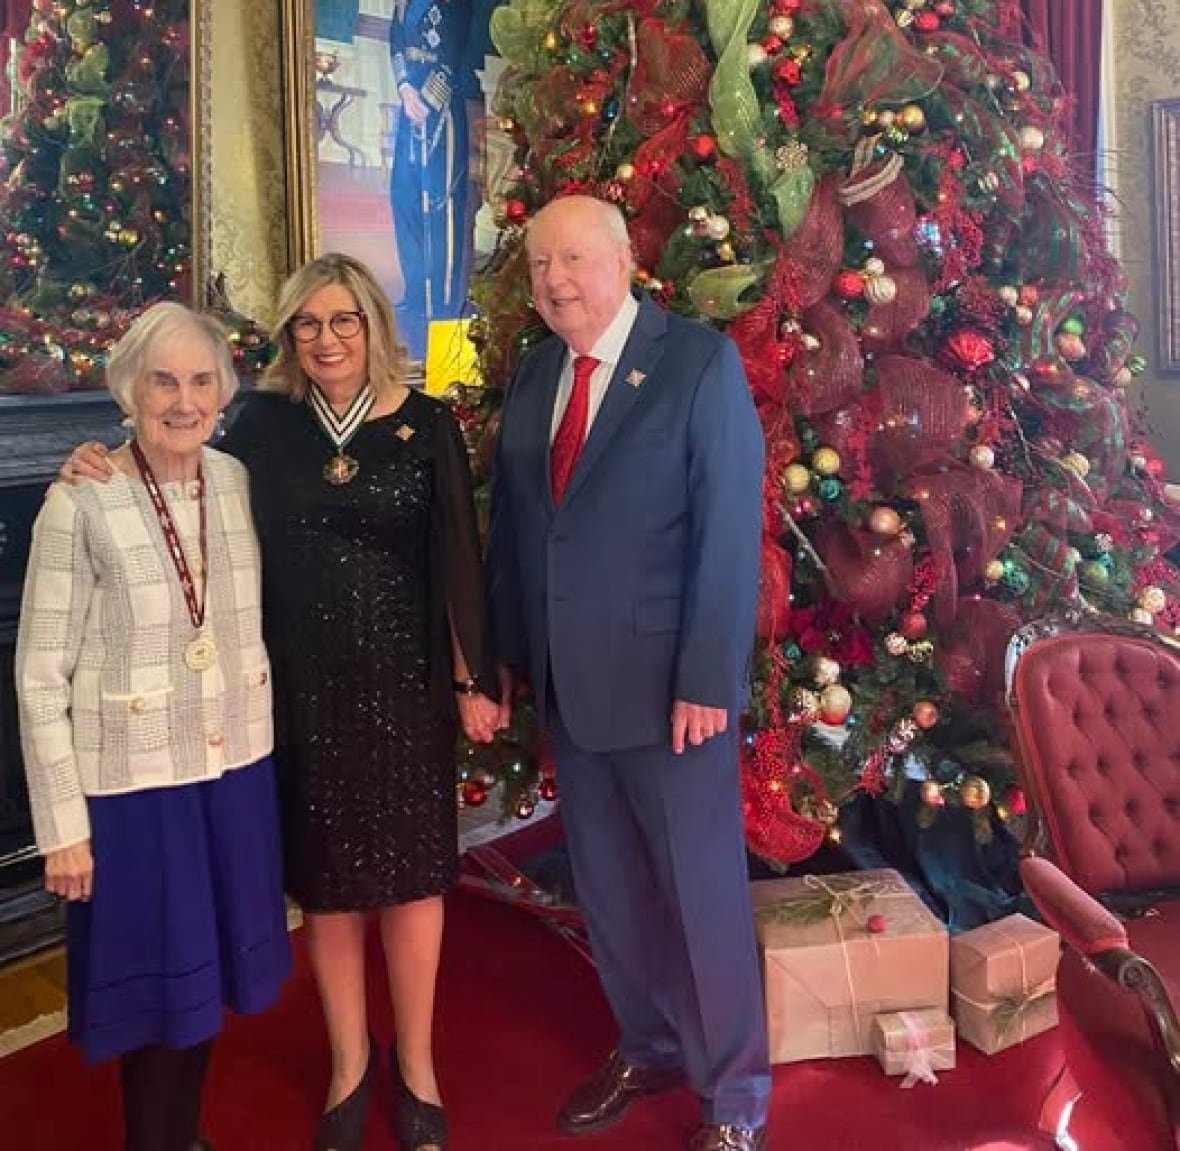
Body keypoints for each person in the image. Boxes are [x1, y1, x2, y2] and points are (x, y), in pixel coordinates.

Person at [63, 254, 503, 1151]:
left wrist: (472, 682)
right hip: (298, 695)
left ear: (373, 326)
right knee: (332, 891)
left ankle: (413, 1065)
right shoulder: (261, 426)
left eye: (344, 320)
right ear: (289, 337)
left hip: (407, 689)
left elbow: (460, 554)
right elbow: (172, 470)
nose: (326, 339)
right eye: (308, 323)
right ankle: (349, 1063)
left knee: (415, 887)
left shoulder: (428, 425)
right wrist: (101, 456)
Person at [487, 196, 772, 1151]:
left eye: (571, 259)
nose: (555, 281)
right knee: (608, 891)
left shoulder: (696, 362)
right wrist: (505, 664)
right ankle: (648, 1043)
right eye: (538, 265)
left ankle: (735, 1097)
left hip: (671, 697)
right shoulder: (536, 375)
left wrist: (706, 676)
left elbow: (730, 533)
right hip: (572, 688)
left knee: (700, 897)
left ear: (621, 260)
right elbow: (519, 534)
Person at [18, 302, 291, 1151]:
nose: (183, 399)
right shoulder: (82, 498)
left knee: (208, 983)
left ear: (224, 389)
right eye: (163, 380)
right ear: (129, 391)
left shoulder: (237, 478)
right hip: (136, 791)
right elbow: (37, 676)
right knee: (155, 999)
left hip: (233, 771)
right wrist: (64, 829)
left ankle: (187, 1134)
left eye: (202, 379)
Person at [389, 0, 475, 362]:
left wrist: (425, 101)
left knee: (443, 208)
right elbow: (395, 38)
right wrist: (405, 88)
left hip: (441, 109)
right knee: (403, 197)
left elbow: (452, 52)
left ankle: (444, 302)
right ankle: (414, 291)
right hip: (411, 104)